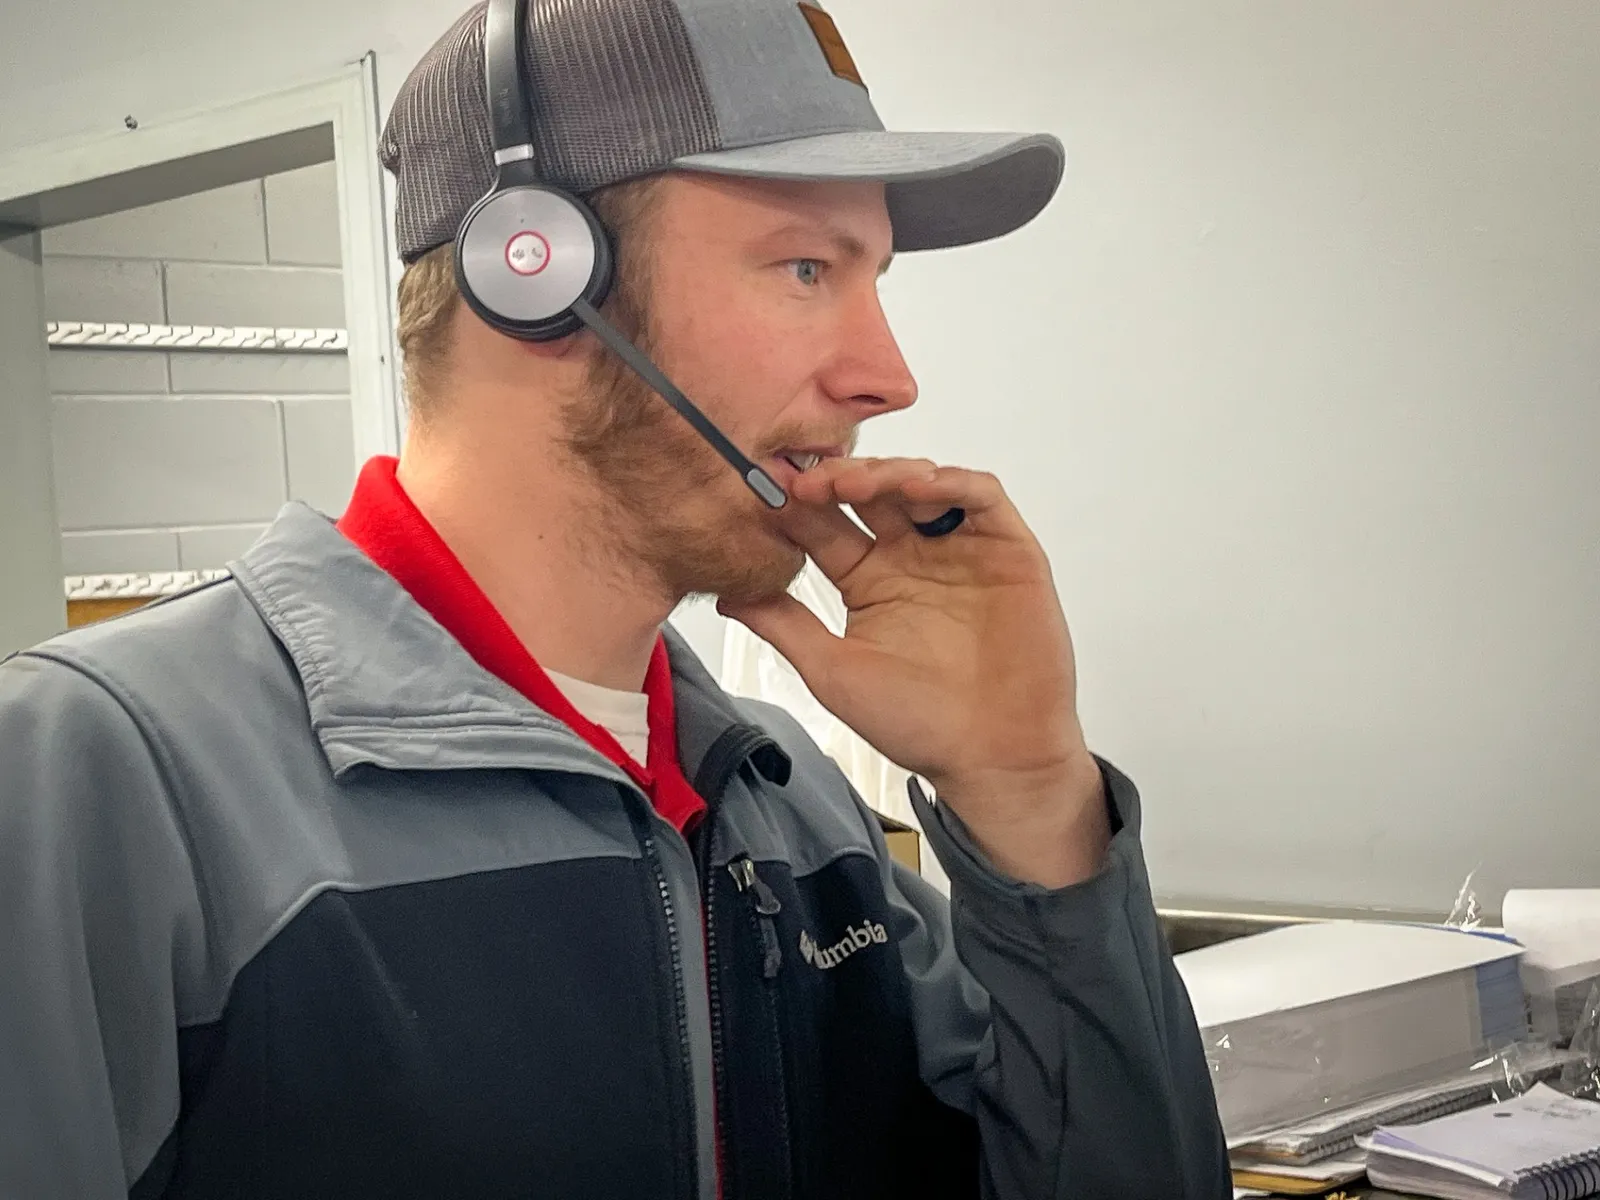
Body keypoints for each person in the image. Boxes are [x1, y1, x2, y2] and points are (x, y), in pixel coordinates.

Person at [0, 0, 1229, 1196]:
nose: (887, 376)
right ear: (530, 269)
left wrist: (1025, 793)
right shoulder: (101, 774)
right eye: (805, 267)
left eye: (873, 279)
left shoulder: (783, 799)